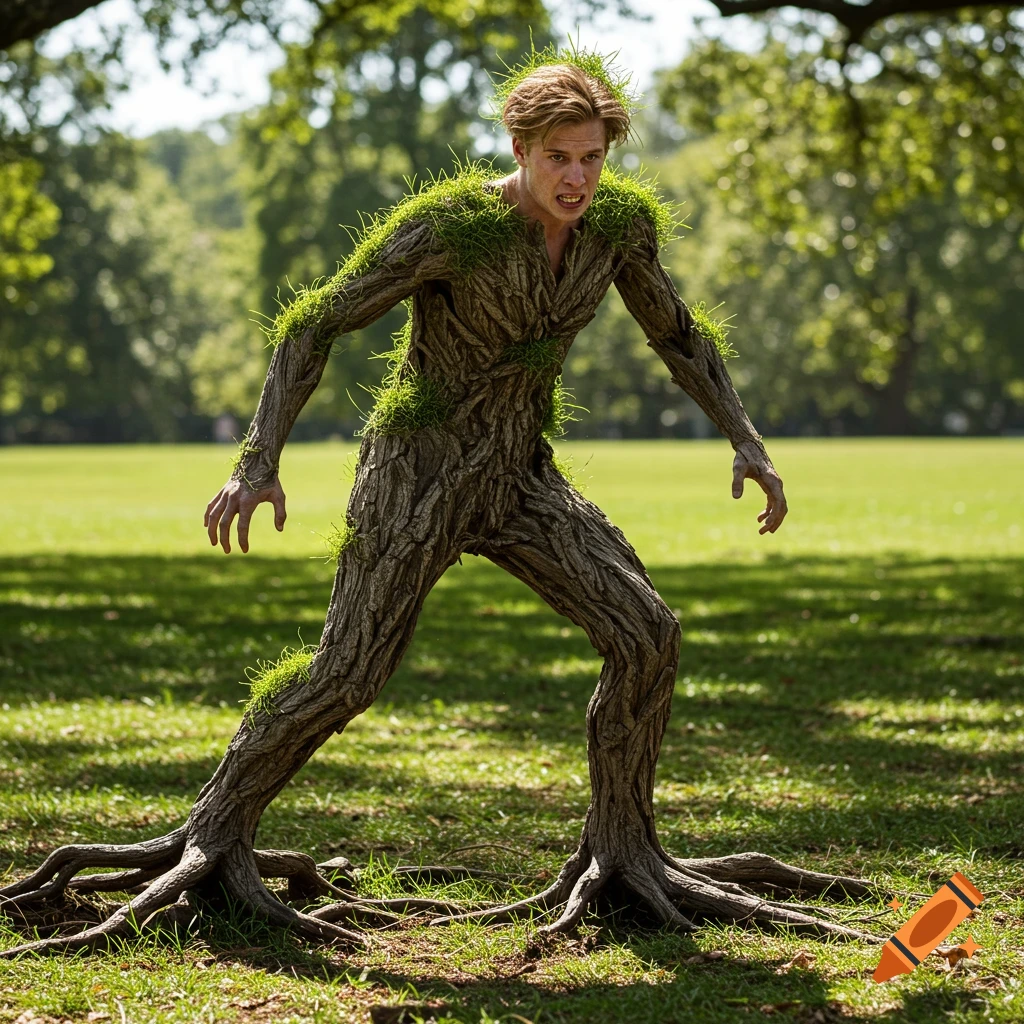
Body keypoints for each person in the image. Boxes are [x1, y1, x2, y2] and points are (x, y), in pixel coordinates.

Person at [3, 50, 866, 958]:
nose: (577, 177)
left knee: (646, 635)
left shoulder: (617, 230)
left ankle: (624, 858)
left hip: (520, 477)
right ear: (519, 147)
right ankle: (211, 842)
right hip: (416, 476)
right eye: (558, 157)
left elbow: (680, 335)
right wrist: (256, 462)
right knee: (348, 676)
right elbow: (315, 321)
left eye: (593, 157)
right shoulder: (453, 228)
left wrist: (746, 438)